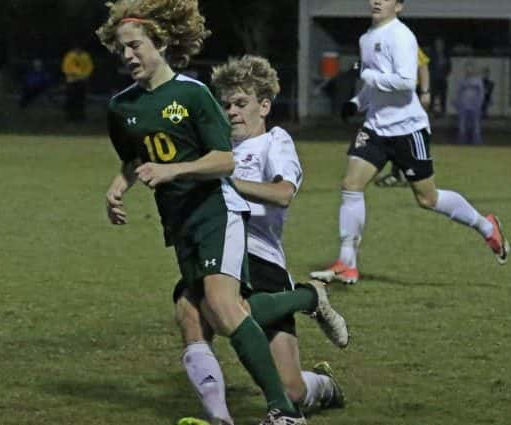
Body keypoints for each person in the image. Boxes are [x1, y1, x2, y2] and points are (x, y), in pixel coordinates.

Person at [97, 1, 330, 423]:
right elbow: (133, 159)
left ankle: (284, 412)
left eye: (134, 46)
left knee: (222, 308)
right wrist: (117, 189)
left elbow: (224, 161)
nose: (127, 56)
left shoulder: (192, 95)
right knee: (192, 314)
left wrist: (173, 170)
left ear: (161, 43)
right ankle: (220, 417)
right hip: (180, 224)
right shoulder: (122, 107)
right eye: (121, 51)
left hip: (216, 213)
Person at [176, 55, 348, 425]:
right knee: (192, 314)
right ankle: (218, 415)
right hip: (217, 251)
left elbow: (284, 192)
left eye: (241, 103)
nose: (232, 112)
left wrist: (228, 182)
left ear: (264, 106)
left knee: (292, 391)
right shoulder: (217, 151)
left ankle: (321, 373)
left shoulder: (274, 141)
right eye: (226, 105)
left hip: (261, 259)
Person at [311, 0, 509, 285]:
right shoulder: (366, 38)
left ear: (399, 6)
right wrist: (357, 102)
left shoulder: (402, 36)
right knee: (351, 185)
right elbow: (374, 83)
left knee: (427, 198)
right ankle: (347, 263)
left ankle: (486, 226)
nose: (377, 0)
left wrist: (365, 74)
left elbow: (405, 82)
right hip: (376, 128)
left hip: (408, 129)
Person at [374, 46, 431, 188]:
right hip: (390, 97)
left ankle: (404, 174)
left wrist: (425, 91)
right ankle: (399, 173)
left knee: (405, 135)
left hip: (406, 96)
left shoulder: (404, 40)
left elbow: (422, 65)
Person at [453, 61, 484, 145]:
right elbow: (458, 93)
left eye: (471, 68)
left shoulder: (478, 81)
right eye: (467, 68)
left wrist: (479, 104)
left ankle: (476, 143)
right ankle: (461, 142)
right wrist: (457, 103)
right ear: (465, 70)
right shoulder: (461, 81)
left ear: (474, 70)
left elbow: (481, 94)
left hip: (475, 106)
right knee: (462, 125)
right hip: (463, 106)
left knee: (476, 125)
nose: (469, 70)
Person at [61, 46, 94, 122]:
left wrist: (84, 76)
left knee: (81, 100)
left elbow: (89, 67)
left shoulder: (85, 56)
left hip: (82, 81)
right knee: (71, 99)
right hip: (71, 81)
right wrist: (72, 74)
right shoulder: (69, 56)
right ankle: (70, 117)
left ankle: (80, 117)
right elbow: (65, 67)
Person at [428, 37, 451, 117]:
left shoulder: (445, 54)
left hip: (443, 78)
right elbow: (429, 66)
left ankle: (443, 112)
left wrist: (446, 73)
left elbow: (449, 66)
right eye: (437, 43)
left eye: (440, 44)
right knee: (433, 95)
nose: (439, 45)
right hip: (434, 78)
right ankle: (430, 112)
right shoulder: (432, 54)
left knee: (443, 96)